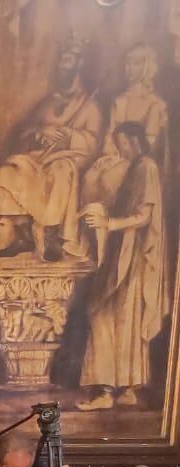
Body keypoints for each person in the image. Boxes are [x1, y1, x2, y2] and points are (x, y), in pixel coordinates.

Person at [78, 121, 168, 412]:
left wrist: (108, 223)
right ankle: (126, 386)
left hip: (133, 255)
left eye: (122, 142)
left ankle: (108, 390)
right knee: (119, 319)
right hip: (123, 251)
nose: (120, 148)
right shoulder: (136, 168)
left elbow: (143, 217)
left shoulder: (146, 167)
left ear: (133, 139)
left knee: (108, 315)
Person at [0, 36, 101, 261]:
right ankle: (16, 233)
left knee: (60, 170)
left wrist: (69, 137)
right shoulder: (48, 102)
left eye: (67, 60)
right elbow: (25, 132)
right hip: (39, 157)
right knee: (8, 170)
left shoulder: (90, 106)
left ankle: (50, 235)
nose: (61, 66)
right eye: (61, 61)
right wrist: (39, 133)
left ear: (78, 65)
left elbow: (93, 143)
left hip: (66, 160)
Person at [83, 45, 168, 210]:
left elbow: (149, 145)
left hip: (139, 161)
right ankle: (90, 232)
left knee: (109, 181)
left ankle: (107, 228)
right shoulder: (119, 101)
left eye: (135, 63)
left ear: (146, 67)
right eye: (127, 62)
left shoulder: (155, 104)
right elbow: (110, 133)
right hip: (117, 156)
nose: (128, 68)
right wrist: (108, 156)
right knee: (90, 178)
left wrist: (127, 155)